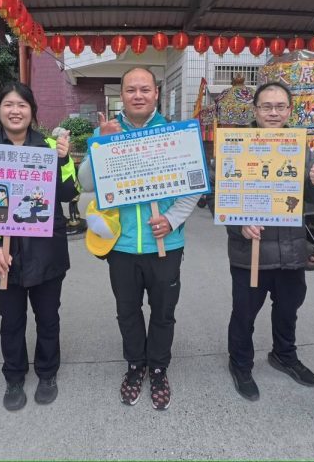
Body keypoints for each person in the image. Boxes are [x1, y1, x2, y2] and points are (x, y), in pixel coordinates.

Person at [94, 66, 198, 411]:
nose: (137, 95)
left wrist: (171, 220)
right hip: (121, 245)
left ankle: (158, 367)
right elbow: (87, 183)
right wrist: (100, 144)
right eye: (130, 90)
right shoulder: (107, 131)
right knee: (127, 311)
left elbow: (194, 186)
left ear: (156, 93)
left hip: (166, 245)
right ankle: (135, 364)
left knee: (164, 312)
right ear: (121, 95)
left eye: (144, 89)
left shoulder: (175, 134)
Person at [0, 83, 78, 411]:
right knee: (11, 320)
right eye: (8, 104)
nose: (15, 111)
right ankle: (14, 376)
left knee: (48, 317)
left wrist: (63, 160)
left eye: (22, 105)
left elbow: (69, 193)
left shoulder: (49, 147)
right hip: (4, 255)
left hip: (47, 251)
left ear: (32, 112)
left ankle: (47, 372)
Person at [226, 81, 314, 401]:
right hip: (251, 249)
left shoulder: (301, 148)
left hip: (290, 249)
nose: (273, 112)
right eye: (266, 106)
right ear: (255, 110)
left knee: (288, 309)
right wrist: (239, 225)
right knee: (244, 312)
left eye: (280, 107)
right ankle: (240, 363)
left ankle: (284, 355)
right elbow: (222, 196)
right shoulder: (236, 144)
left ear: (289, 110)